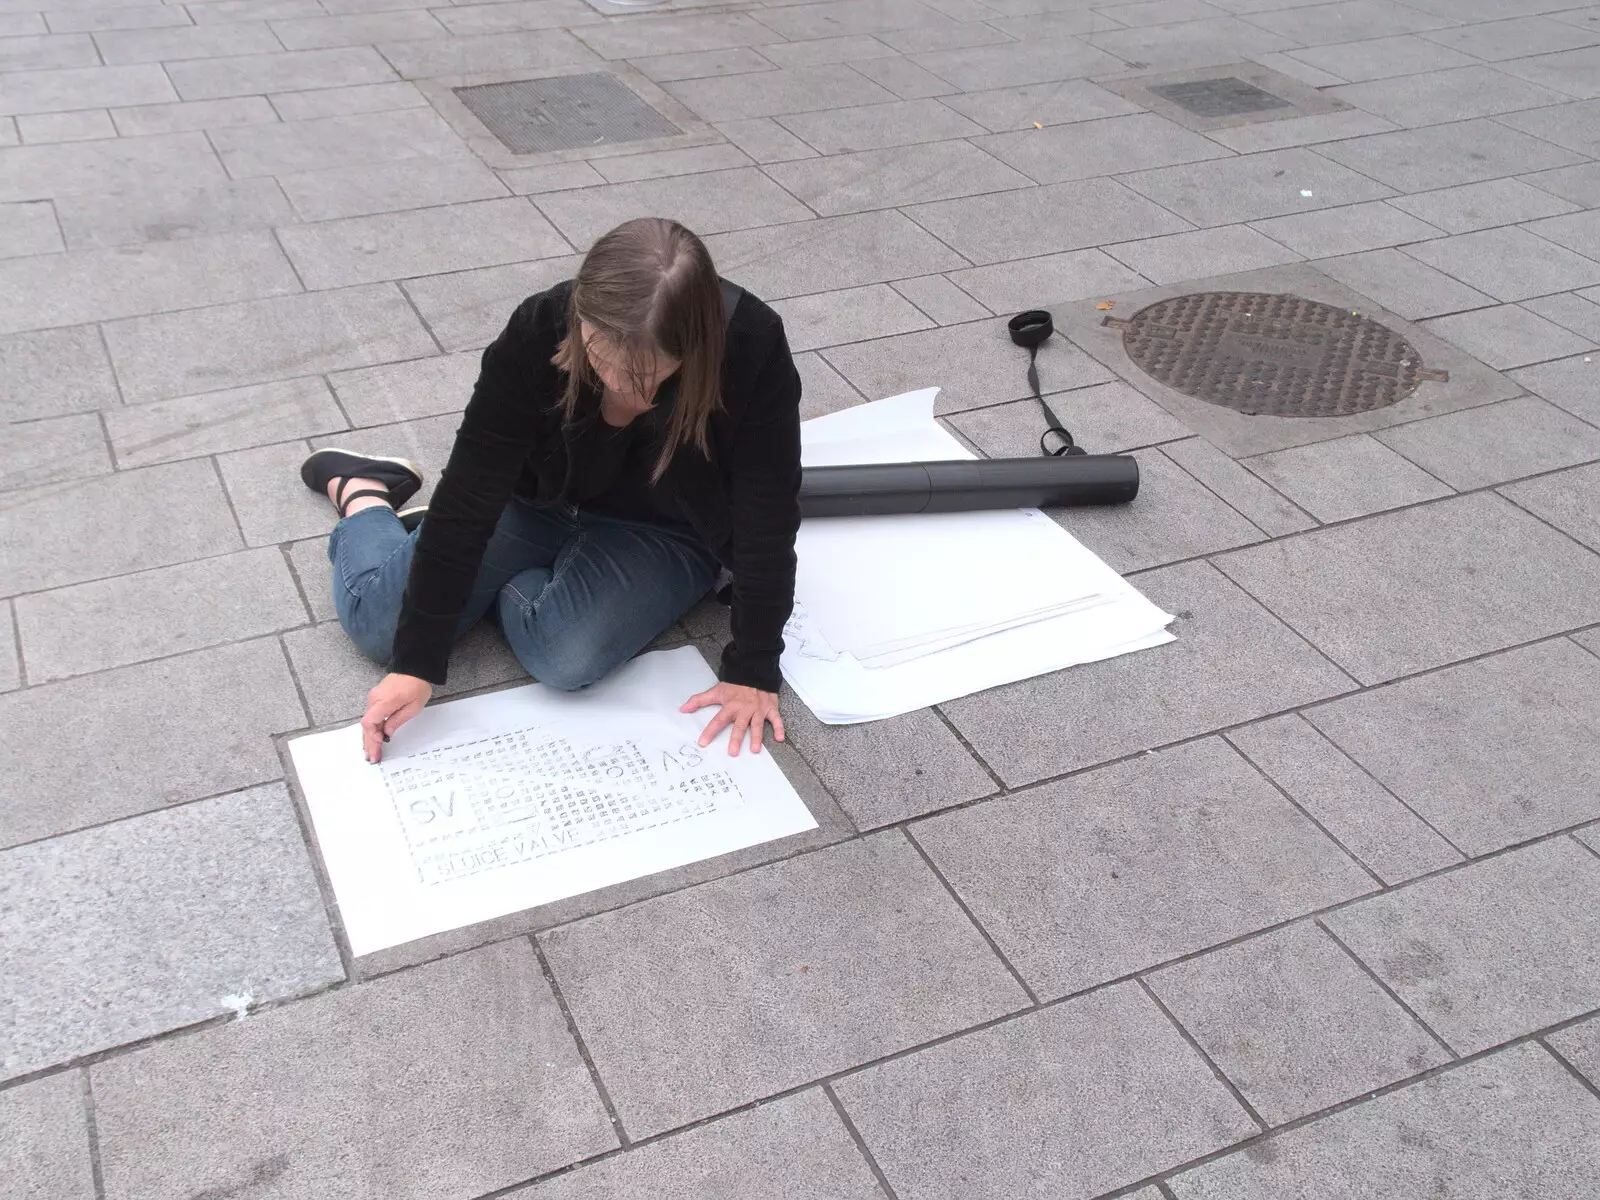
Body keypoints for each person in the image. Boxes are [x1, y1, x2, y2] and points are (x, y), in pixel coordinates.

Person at [298, 217, 802, 764]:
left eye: (649, 375)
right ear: (581, 316)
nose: (619, 386)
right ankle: (365, 494)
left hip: (664, 527)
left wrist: (754, 665)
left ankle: (487, 577)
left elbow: (766, 514)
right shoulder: (538, 328)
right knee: (382, 634)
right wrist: (417, 661)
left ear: (695, 347)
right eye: (603, 359)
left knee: (567, 659)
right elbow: (470, 496)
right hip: (538, 500)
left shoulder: (751, 346)